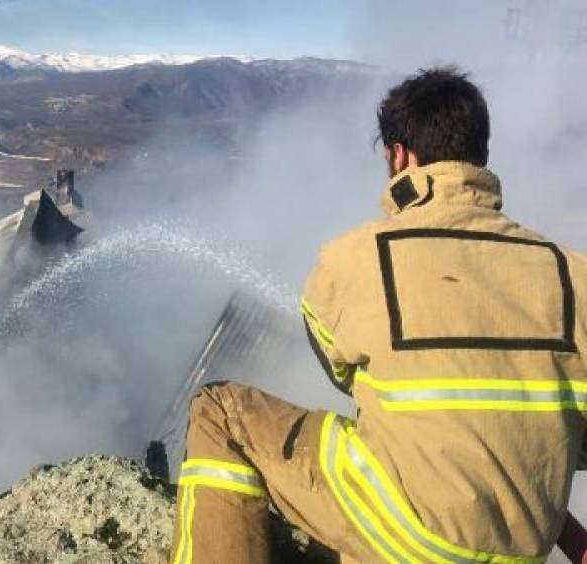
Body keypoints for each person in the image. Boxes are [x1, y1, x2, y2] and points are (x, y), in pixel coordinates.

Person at [171, 67, 587, 563]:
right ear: (480, 153)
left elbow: (339, 368)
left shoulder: (357, 255)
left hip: (407, 533)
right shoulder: (570, 270)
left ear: (400, 156)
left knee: (220, 411)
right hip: (524, 547)